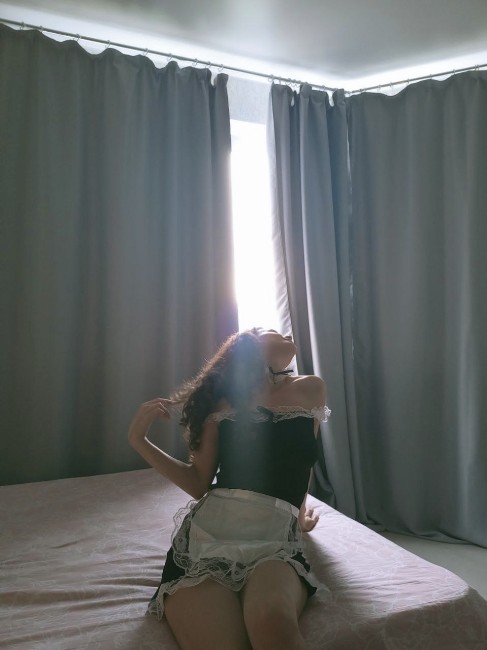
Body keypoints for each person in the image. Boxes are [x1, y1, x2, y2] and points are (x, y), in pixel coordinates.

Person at [128, 328, 330, 650]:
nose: (287, 335)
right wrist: (139, 441)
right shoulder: (223, 401)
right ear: (248, 343)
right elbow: (198, 482)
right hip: (209, 536)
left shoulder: (311, 388)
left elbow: (301, 465)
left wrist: (299, 514)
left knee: (273, 624)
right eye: (273, 330)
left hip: (273, 540)